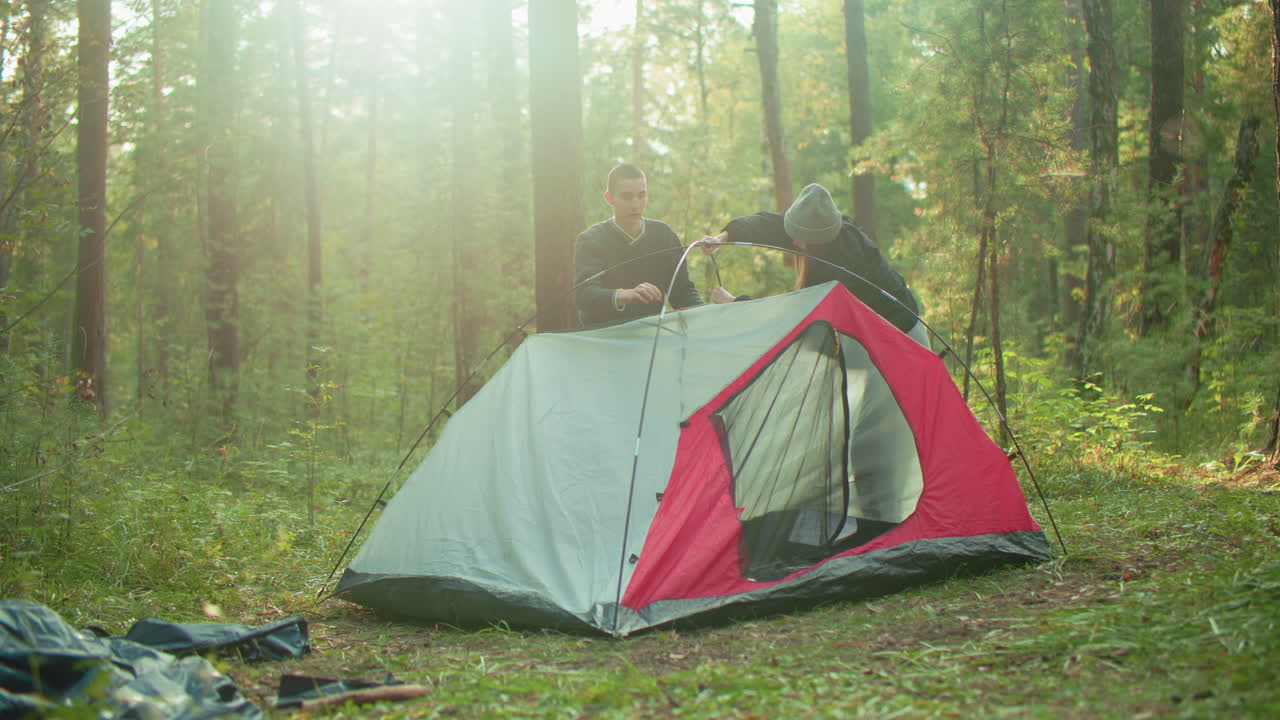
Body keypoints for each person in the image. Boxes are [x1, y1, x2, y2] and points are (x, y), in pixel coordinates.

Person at [705, 183, 928, 347]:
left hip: (899, 339)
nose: (793, 241)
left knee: (877, 411)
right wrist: (723, 237)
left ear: (817, 242)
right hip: (868, 339)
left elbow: (794, 318)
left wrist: (737, 303)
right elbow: (768, 224)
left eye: (799, 237)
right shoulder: (822, 229)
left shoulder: (838, 269)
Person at [574, 164, 716, 329]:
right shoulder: (591, 239)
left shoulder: (664, 235)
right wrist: (626, 294)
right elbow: (583, 295)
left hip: (651, 337)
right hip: (604, 338)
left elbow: (682, 291)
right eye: (627, 197)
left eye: (641, 195)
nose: (636, 204)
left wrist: (706, 314)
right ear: (609, 198)